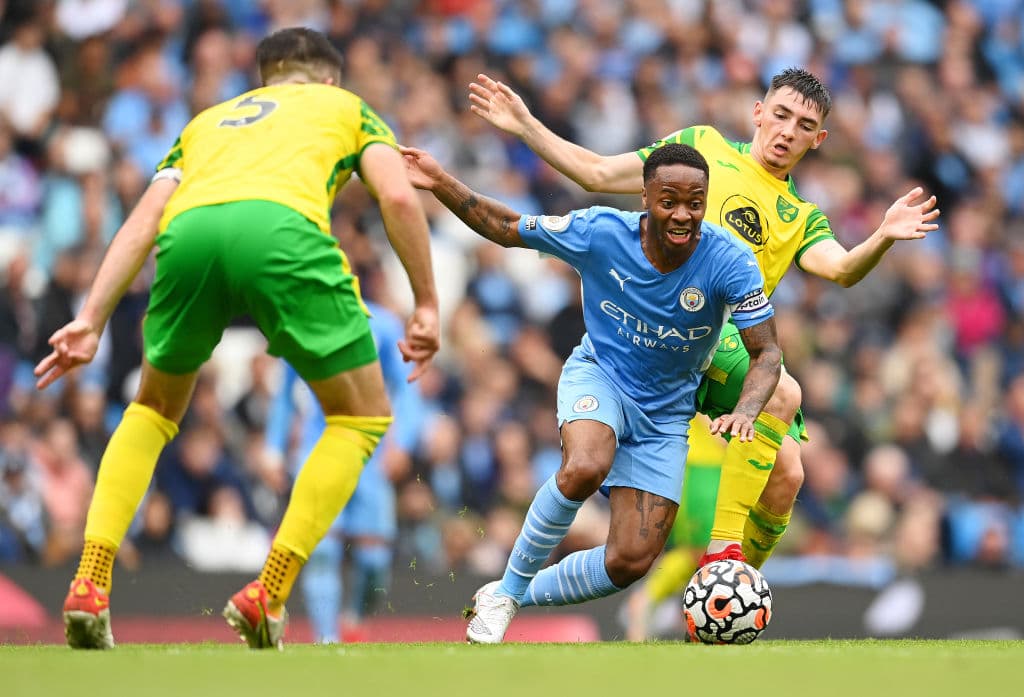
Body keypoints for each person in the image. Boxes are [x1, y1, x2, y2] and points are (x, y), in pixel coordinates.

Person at [34, 27, 440, 650]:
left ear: (266, 80)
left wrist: (91, 316)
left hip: (189, 233)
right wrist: (427, 303)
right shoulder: (344, 107)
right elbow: (396, 195)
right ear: (328, 79)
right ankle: (267, 594)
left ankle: (90, 580)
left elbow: (146, 215)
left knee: (152, 409)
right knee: (360, 418)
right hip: (283, 230)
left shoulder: (209, 121)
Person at [467, 68, 939, 599]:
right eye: (780, 114)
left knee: (787, 477)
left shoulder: (802, 216)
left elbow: (843, 268)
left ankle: (721, 598)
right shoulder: (701, 148)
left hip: (727, 343)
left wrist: (881, 236)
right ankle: (723, 553)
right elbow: (597, 172)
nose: (786, 130)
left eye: (803, 124)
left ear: (818, 139)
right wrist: (526, 124)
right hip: (675, 329)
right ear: (758, 112)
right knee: (783, 391)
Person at [403, 141, 782, 643]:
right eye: (669, 200)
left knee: (630, 561)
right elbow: (507, 227)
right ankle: (508, 596)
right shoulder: (601, 232)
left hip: (666, 415)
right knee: (584, 465)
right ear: (645, 196)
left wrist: (747, 410)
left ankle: (507, 592)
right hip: (599, 377)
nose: (683, 214)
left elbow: (768, 353)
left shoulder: (729, 260)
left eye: (696, 202)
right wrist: (441, 181)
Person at [265, 300, 423, 643]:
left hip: (370, 455)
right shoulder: (302, 323)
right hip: (317, 449)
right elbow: (285, 396)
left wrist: (403, 444)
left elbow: (408, 387)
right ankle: (327, 639)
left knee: (374, 561)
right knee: (322, 551)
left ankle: (355, 616)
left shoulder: (382, 324)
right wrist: (273, 449)